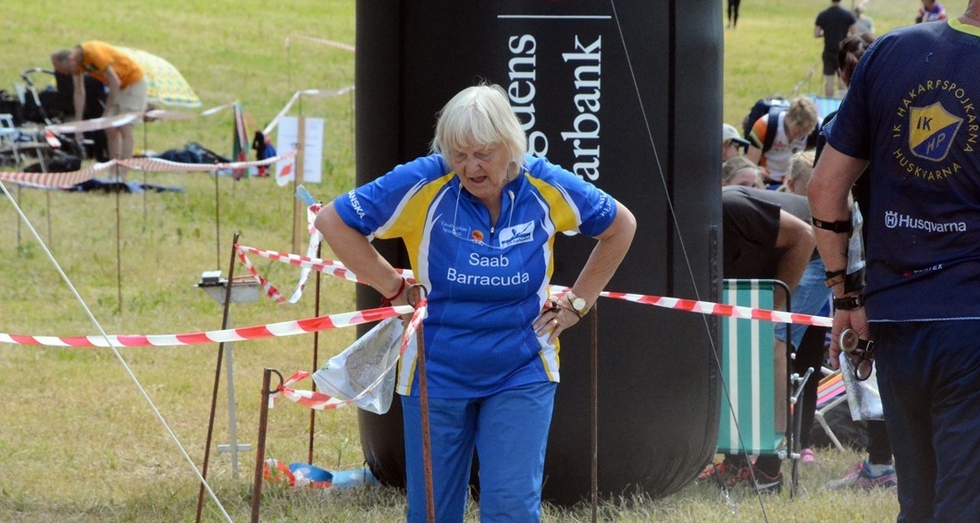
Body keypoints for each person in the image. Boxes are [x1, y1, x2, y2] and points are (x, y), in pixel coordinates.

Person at [313, 83, 636, 522]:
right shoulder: (424, 180)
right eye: (458, 154)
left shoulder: (544, 184)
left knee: (511, 508)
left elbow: (620, 226)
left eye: (483, 153)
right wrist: (390, 286)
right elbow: (333, 219)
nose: (470, 167)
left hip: (521, 367)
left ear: (510, 145)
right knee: (433, 512)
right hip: (436, 368)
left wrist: (578, 303)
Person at [808, 0, 980, 518]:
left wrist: (846, 300)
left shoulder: (891, 52)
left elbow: (824, 188)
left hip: (896, 316)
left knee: (920, 502)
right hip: (972, 322)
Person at [815, 32, 898, 491]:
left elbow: (826, 194)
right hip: (867, 253)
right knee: (866, 361)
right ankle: (883, 461)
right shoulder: (849, 122)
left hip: (869, 256)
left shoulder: (843, 123)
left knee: (869, 361)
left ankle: (885, 463)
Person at [699, 185, 818, 491]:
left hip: (818, 248)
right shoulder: (695, 234)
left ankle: (769, 470)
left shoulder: (729, 208)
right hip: (778, 260)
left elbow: (805, 237)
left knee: (772, 343)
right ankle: (736, 459)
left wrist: (774, 309)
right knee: (737, 344)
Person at [51, 41, 148, 181]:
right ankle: (113, 172)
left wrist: (106, 111)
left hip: (133, 82)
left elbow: (115, 82)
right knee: (110, 129)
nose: (67, 74)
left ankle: (123, 175)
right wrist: (79, 124)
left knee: (125, 128)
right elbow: (79, 93)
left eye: (66, 71)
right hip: (118, 86)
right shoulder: (77, 64)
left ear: (70, 60)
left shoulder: (93, 52)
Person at [745, 97, 820, 186]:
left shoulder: (820, 129)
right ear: (788, 117)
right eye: (797, 131)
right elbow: (751, 164)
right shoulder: (764, 125)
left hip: (796, 183)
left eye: (805, 133)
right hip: (767, 181)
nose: (799, 137)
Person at [814, 0, 857, 97]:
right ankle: (840, 104)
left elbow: (816, 33)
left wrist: (825, 33)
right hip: (842, 51)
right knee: (842, 79)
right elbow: (855, 34)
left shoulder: (823, 15)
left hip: (828, 50)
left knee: (829, 79)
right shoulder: (847, 15)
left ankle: (828, 102)